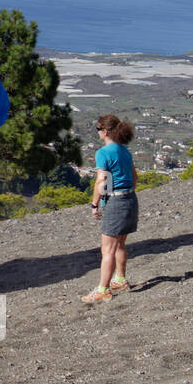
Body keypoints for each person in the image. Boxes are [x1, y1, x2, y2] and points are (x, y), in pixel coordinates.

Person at [81, 115, 139, 303]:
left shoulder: (103, 153)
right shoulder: (125, 150)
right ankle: (120, 279)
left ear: (105, 131)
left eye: (98, 129)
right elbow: (134, 176)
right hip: (130, 199)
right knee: (120, 244)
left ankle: (103, 290)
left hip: (116, 202)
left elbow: (101, 180)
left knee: (107, 250)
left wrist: (94, 204)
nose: (97, 132)